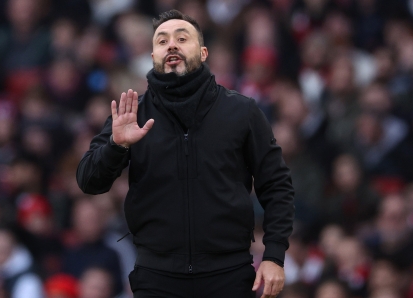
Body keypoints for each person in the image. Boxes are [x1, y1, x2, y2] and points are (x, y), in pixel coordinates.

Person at [76, 9, 295, 298]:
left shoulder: (242, 111)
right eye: (162, 41)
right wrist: (117, 146)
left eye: (182, 38)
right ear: (153, 56)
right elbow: (89, 181)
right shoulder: (133, 114)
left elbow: (277, 186)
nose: (172, 45)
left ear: (203, 53)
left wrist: (274, 255)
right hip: (156, 276)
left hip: (228, 274)